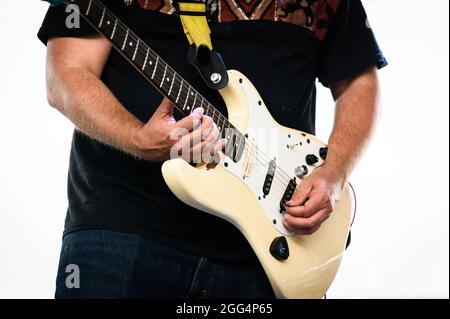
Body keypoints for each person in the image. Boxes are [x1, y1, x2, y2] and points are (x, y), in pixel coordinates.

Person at [38, 0, 387, 298]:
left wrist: (334, 174)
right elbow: (68, 72)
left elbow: (359, 80)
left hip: (271, 249)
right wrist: (136, 138)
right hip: (123, 230)